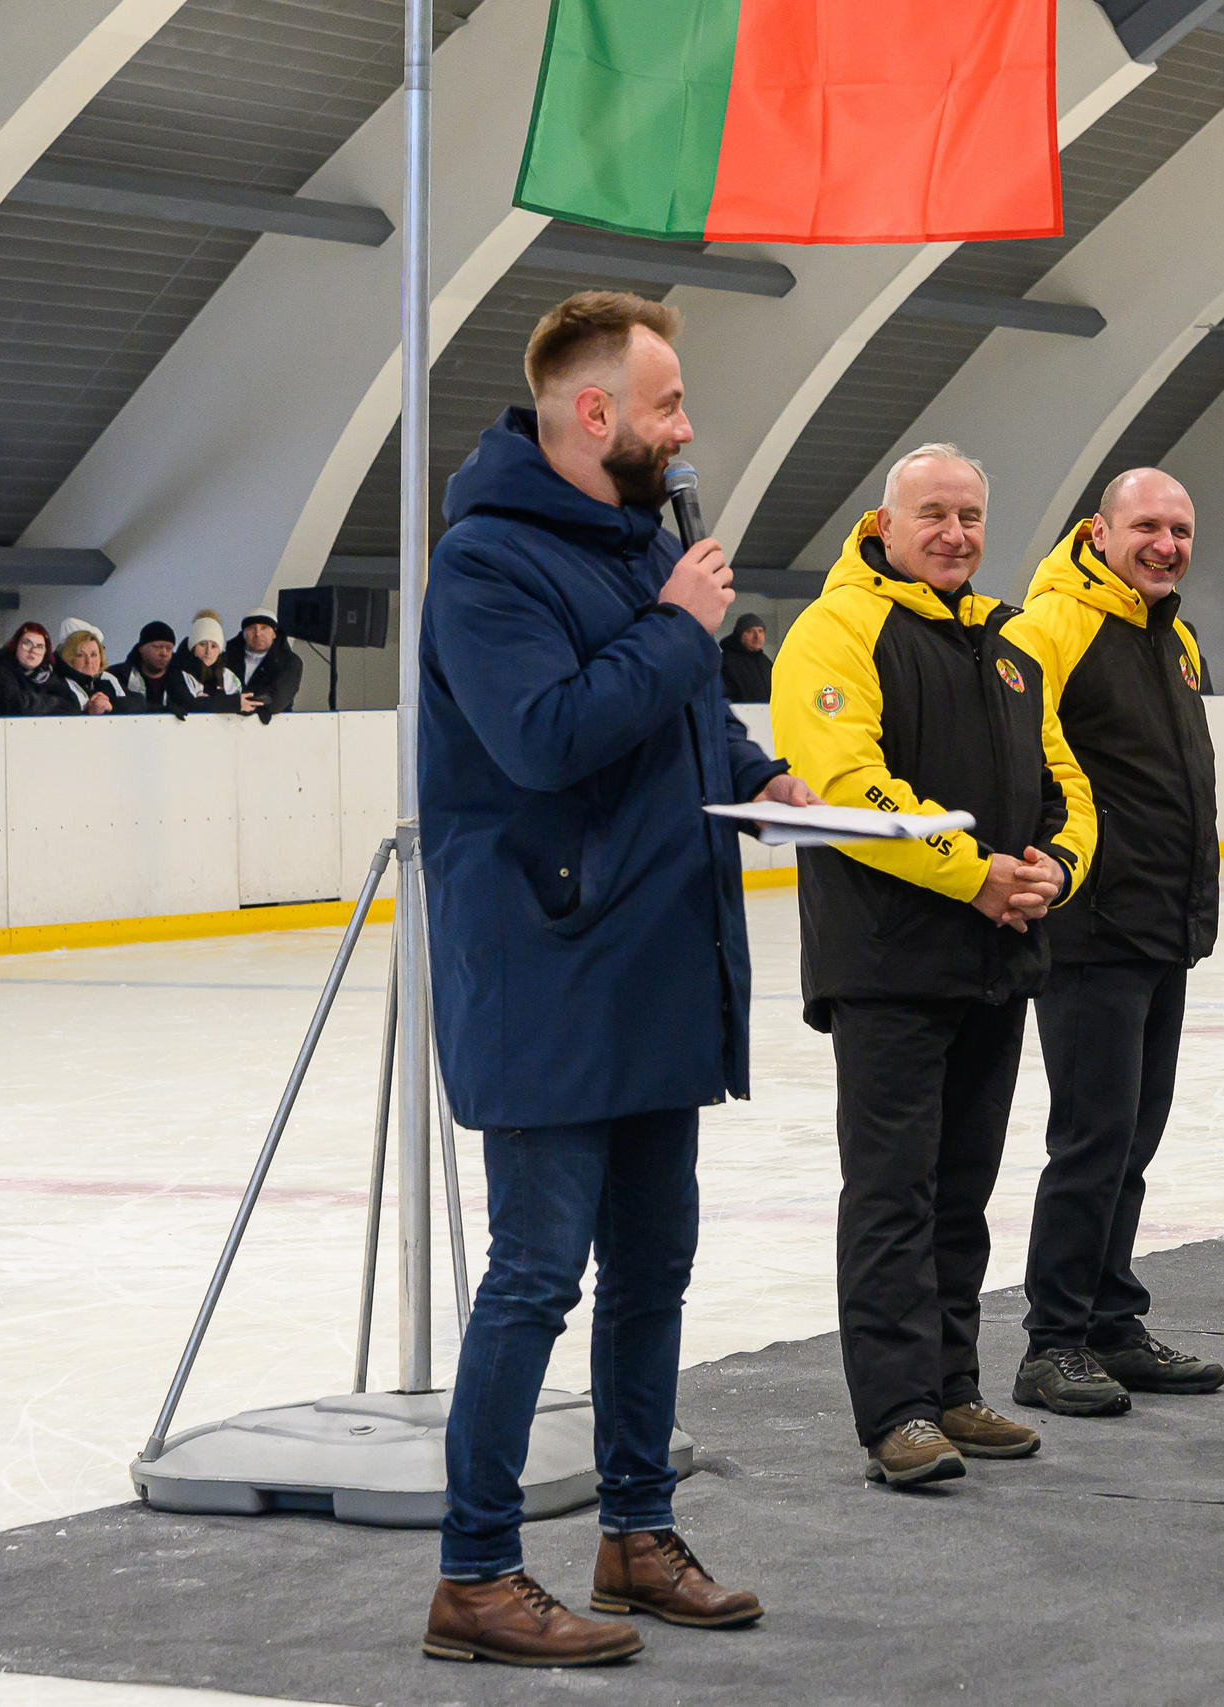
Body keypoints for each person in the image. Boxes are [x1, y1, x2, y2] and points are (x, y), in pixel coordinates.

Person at [420, 290, 806, 1668]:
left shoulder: (636, 545)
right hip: (548, 968)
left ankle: (635, 1528)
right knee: (534, 1275)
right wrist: (678, 628)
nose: (687, 427)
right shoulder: (486, 565)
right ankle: (475, 1572)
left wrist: (763, 777)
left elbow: (672, 719)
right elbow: (543, 737)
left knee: (656, 1265)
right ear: (596, 416)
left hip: (650, 961)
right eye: (669, 405)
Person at [769, 443, 1096, 1490]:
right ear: (886, 523)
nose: (955, 534)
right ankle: (896, 1412)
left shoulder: (1008, 643)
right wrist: (977, 875)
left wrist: (1056, 866)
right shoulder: (836, 629)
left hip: (994, 957)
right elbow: (848, 788)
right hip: (887, 965)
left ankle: (954, 1384)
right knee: (891, 1193)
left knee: (962, 1190)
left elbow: (1064, 780)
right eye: (934, 516)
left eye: (970, 516)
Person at [1002, 468, 1224, 1418]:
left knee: (1134, 1138)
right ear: (1098, 530)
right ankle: (1053, 1341)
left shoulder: (1170, 635)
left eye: (1180, 528)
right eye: (1147, 526)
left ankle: (1111, 1318)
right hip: (1092, 928)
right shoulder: (1051, 625)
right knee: (1092, 1140)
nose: (1166, 544)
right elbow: (1030, 766)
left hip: (1159, 926)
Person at [0, 621, 69, 717]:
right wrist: (52, 702)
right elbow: (14, 704)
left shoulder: (48, 676)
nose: (32, 650)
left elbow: (70, 706)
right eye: (26, 643)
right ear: (16, 645)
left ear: (45, 652)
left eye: (39, 646)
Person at [167, 612, 246, 715]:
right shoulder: (178, 674)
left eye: (214, 646)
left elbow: (243, 704)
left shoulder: (228, 676)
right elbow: (187, 704)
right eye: (202, 644)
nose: (208, 652)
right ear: (193, 646)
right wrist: (231, 702)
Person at [232, 608, 302, 721]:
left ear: (274, 633)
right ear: (244, 633)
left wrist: (233, 703)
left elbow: (276, 700)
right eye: (251, 628)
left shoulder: (290, 662)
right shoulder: (226, 659)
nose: (258, 634)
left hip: (275, 731)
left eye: (264, 628)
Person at [106, 621, 179, 714]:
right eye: (157, 647)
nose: (164, 653)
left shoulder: (181, 678)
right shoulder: (116, 676)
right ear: (141, 648)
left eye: (169, 648)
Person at [52, 626, 117, 714]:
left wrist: (112, 707)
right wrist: (90, 713)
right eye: (80, 655)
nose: (88, 661)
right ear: (69, 658)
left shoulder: (107, 682)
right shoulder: (58, 686)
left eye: (93, 655)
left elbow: (135, 703)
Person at [718, 612, 772, 703]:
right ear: (739, 635)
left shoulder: (765, 662)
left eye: (760, 631)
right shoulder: (726, 661)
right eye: (750, 631)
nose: (757, 636)